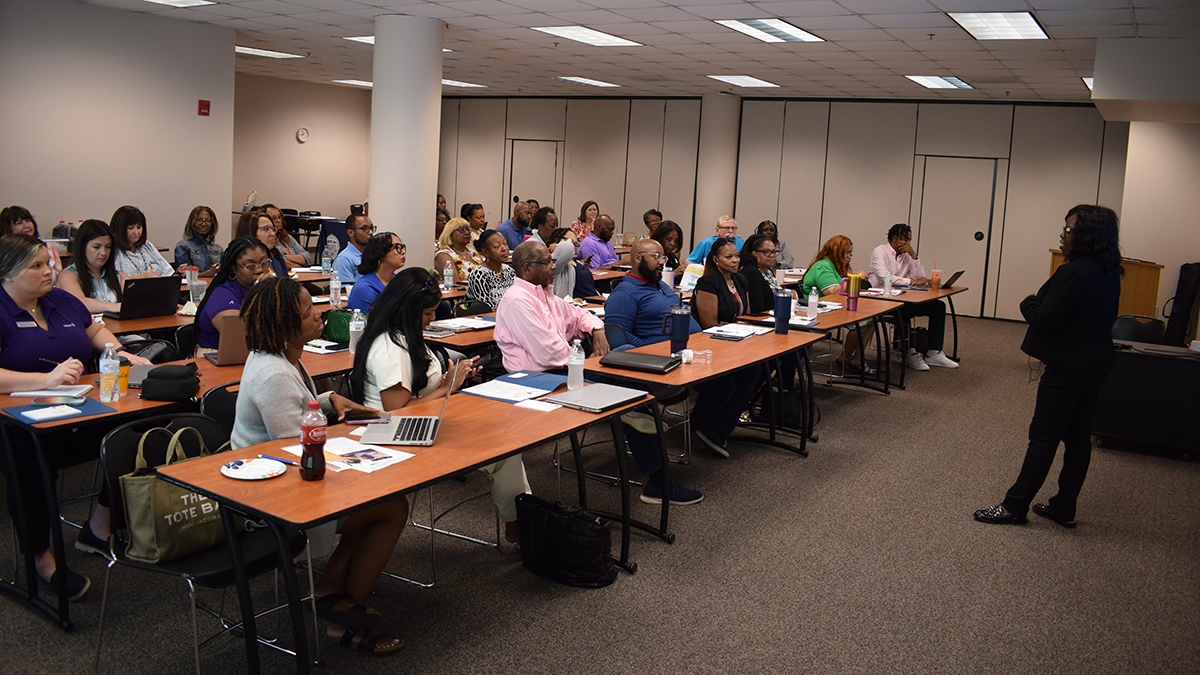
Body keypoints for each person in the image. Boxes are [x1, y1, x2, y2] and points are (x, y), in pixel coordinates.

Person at [232, 276, 405, 655]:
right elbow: (299, 447)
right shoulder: (274, 373)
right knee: (391, 507)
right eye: (309, 312)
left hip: (291, 477)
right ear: (285, 326)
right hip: (275, 499)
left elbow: (299, 411)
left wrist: (330, 401)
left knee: (380, 499)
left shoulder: (278, 357)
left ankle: (330, 588)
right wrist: (351, 433)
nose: (319, 315)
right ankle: (345, 617)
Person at [0, 234, 151, 601]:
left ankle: (99, 529)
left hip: (77, 406)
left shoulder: (59, 300)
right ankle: (41, 556)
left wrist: (122, 354)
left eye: (47, 263)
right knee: (30, 461)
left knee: (134, 434)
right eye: (36, 266)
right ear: (7, 274)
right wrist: (43, 380)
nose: (49, 271)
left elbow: (96, 331)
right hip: (15, 420)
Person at [349, 268, 530, 542]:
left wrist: (447, 378)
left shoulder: (404, 336)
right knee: (503, 450)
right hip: (393, 434)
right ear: (405, 310)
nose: (432, 319)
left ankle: (521, 521)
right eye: (427, 314)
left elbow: (420, 390)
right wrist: (448, 387)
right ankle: (520, 525)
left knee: (506, 442)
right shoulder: (390, 347)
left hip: (423, 421)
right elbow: (399, 409)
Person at [974, 205, 1123, 528]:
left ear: (1086, 235)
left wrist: (1028, 302)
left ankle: (1014, 506)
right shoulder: (1109, 271)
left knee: (1043, 438)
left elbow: (1046, 319)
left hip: (1068, 367)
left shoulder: (1074, 273)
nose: (1062, 234)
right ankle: (1063, 506)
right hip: (1095, 365)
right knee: (1078, 439)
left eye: (1068, 230)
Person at [609, 238, 760, 466]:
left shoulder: (661, 286)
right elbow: (618, 338)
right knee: (724, 384)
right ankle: (703, 426)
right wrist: (654, 354)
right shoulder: (625, 293)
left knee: (751, 370)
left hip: (691, 352)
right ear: (637, 258)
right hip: (661, 363)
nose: (662, 262)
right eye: (656, 257)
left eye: (662, 257)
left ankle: (712, 428)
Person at [495, 240, 610, 372]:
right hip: (537, 377)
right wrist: (584, 361)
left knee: (617, 356)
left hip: (563, 367)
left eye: (552, 261)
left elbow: (580, 316)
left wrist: (597, 330)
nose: (553, 266)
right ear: (527, 269)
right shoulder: (517, 300)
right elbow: (548, 352)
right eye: (546, 262)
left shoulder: (544, 295)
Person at [866, 223, 958, 371]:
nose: (908, 244)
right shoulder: (879, 251)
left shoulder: (906, 255)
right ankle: (910, 352)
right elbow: (885, 277)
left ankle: (934, 352)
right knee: (904, 309)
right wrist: (911, 282)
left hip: (902, 296)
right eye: (905, 240)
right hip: (881, 299)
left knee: (938, 307)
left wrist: (914, 256)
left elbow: (920, 277)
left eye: (909, 240)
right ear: (894, 239)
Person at [801, 235, 877, 375]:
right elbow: (833, 292)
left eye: (851, 253)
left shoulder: (838, 266)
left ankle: (857, 359)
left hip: (834, 307)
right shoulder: (823, 266)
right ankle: (845, 358)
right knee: (860, 322)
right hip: (818, 309)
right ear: (837, 251)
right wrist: (856, 278)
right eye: (847, 253)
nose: (850, 257)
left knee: (872, 319)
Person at [194, 237, 273, 352]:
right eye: (250, 266)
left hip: (256, 353)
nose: (260, 270)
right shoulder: (222, 295)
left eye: (264, 263)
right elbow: (242, 338)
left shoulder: (261, 288)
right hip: (218, 355)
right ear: (234, 268)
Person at [56, 219, 127, 314]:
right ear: (82, 247)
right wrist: (115, 307)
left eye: (108, 247)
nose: (103, 253)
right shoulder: (68, 275)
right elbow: (79, 302)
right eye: (96, 247)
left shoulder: (119, 275)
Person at [692, 237, 748, 328]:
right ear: (716, 260)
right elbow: (709, 324)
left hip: (739, 332)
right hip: (714, 337)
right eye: (729, 257)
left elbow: (746, 317)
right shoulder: (708, 282)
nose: (735, 260)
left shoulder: (740, 279)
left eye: (737, 256)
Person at [1, 206, 64, 283]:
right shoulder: (6, 252)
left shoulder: (48, 247)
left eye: (28, 220)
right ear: (8, 228)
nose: (26, 225)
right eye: (19, 223)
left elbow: (59, 276)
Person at [347, 232, 406, 313]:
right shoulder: (364, 289)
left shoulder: (399, 282)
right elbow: (373, 323)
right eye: (397, 248)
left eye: (402, 247)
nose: (403, 252)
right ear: (381, 254)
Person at [110, 205, 174, 278]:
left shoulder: (147, 246)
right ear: (120, 229)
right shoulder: (114, 252)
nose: (136, 232)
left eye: (139, 227)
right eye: (130, 228)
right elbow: (114, 284)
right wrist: (140, 277)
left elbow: (168, 271)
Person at [466, 229, 514, 311]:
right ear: (485, 252)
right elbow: (486, 308)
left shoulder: (509, 271)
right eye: (497, 246)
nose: (504, 249)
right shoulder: (479, 274)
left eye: (505, 243)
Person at [545, 228, 597, 300]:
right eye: (568, 240)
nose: (572, 245)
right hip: (578, 306)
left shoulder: (572, 261)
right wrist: (556, 247)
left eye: (575, 244)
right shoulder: (554, 262)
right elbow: (566, 249)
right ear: (556, 239)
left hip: (594, 302)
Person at [173, 205, 223, 278]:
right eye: (199, 220)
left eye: (208, 221)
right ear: (192, 222)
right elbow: (184, 274)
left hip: (216, 286)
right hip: (194, 287)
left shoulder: (218, 249)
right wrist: (206, 274)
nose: (203, 224)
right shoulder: (183, 246)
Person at [235, 210, 287, 278]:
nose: (273, 234)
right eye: (266, 229)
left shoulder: (276, 256)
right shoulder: (240, 262)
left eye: (273, 229)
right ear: (250, 232)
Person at [434, 217, 483, 284]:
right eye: (461, 230)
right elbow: (455, 284)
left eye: (468, 229)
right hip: (457, 293)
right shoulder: (443, 255)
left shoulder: (472, 251)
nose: (467, 232)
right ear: (450, 235)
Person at [262, 203, 312, 268]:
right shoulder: (266, 239)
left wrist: (285, 257)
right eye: (273, 218)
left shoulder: (286, 236)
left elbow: (307, 257)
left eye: (279, 217)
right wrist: (298, 265)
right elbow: (278, 262)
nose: (279, 221)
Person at [332, 213, 376, 283]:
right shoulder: (344, 260)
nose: (370, 232)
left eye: (371, 228)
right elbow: (346, 291)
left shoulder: (374, 254)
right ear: (351, 233)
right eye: (365, 229)